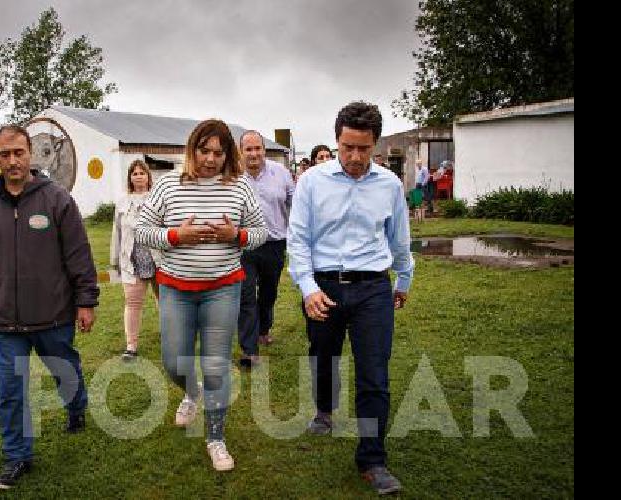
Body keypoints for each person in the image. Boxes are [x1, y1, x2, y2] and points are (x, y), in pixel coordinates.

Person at [0, 124, 100, 490]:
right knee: (9, 389)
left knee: (64, 372)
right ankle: (16, 457)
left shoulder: (57, 200)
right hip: (5, 321)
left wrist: (86, 301)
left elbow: (78, 256)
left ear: (30, 154)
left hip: (54, 315)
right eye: (4, 154)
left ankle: (75, 407)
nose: (12, 161)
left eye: (18, 153)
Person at [286, 101, 414, 495]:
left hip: (373, 287)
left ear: (374, 144)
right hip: (324, 286)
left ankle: (373, 460)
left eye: (364, 148)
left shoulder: (389, 185)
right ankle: (325, 410)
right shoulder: (312, 182)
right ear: (337, 140)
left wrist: (404, 278)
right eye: (347, 147)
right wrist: (308, 289)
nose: (355, 157)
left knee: (374, 373)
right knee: (323, 355)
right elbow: (299, 240)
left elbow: (399, 238)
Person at [135, 119, 267, 472]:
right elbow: (142, 230)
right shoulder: (168, 185)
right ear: (192, 149)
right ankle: (191, 394)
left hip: (223, 287)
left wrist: (235, 235)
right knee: (173, 360)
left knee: (216, 365)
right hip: (176, 288)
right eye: (204, 151)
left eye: (218, 153)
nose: (210, 159)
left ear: (228, 155)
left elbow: (261, 232)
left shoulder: (239, 186)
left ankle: (216, 438)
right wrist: (177, 236)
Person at [236, 130, 295, 367]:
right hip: (244, 246)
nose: (254, 154)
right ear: (241, 152)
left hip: (274, 244)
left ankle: (264, 328)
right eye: (248, 149)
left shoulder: (280, 173)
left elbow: (294, 202)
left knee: (268, 293)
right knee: (246, 295)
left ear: (264, 149)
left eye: (257, 148)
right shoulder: (233, 176)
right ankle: (249, 349)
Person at [109, 159, 160, 361]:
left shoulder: (157, 199)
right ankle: (131, 345)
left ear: (148, 176)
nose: (138, 176)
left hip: (158, 259)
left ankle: (171, 337)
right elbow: (117, 232)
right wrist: (114, 261)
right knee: (132, 303)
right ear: (130, 177)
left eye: (142, 173)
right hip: (132, 261)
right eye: (134, 173)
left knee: (165, 301)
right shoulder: (122, 202)